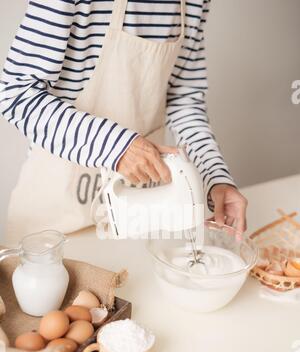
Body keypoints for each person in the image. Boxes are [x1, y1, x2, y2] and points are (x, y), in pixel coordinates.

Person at [0, 0, 247, 242]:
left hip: (138, 216)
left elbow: (183, 99)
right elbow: (16, 94)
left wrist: (215, 177)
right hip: (53, 230)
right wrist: (118, 147)